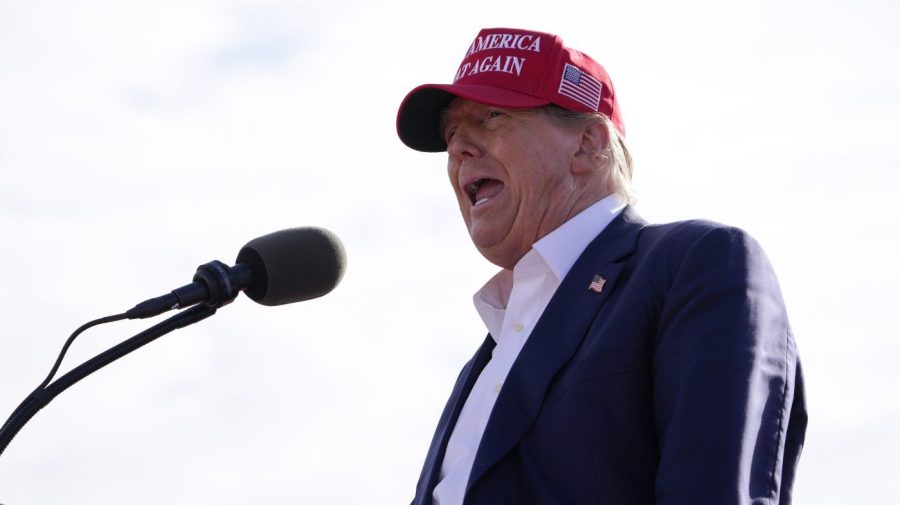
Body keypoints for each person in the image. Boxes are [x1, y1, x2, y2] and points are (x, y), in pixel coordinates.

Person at [395, 27, 807, 505]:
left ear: (588, 144)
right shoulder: (488, 356)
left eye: (491, 117)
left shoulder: (695, 263)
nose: (459, 148)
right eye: (451, 134)